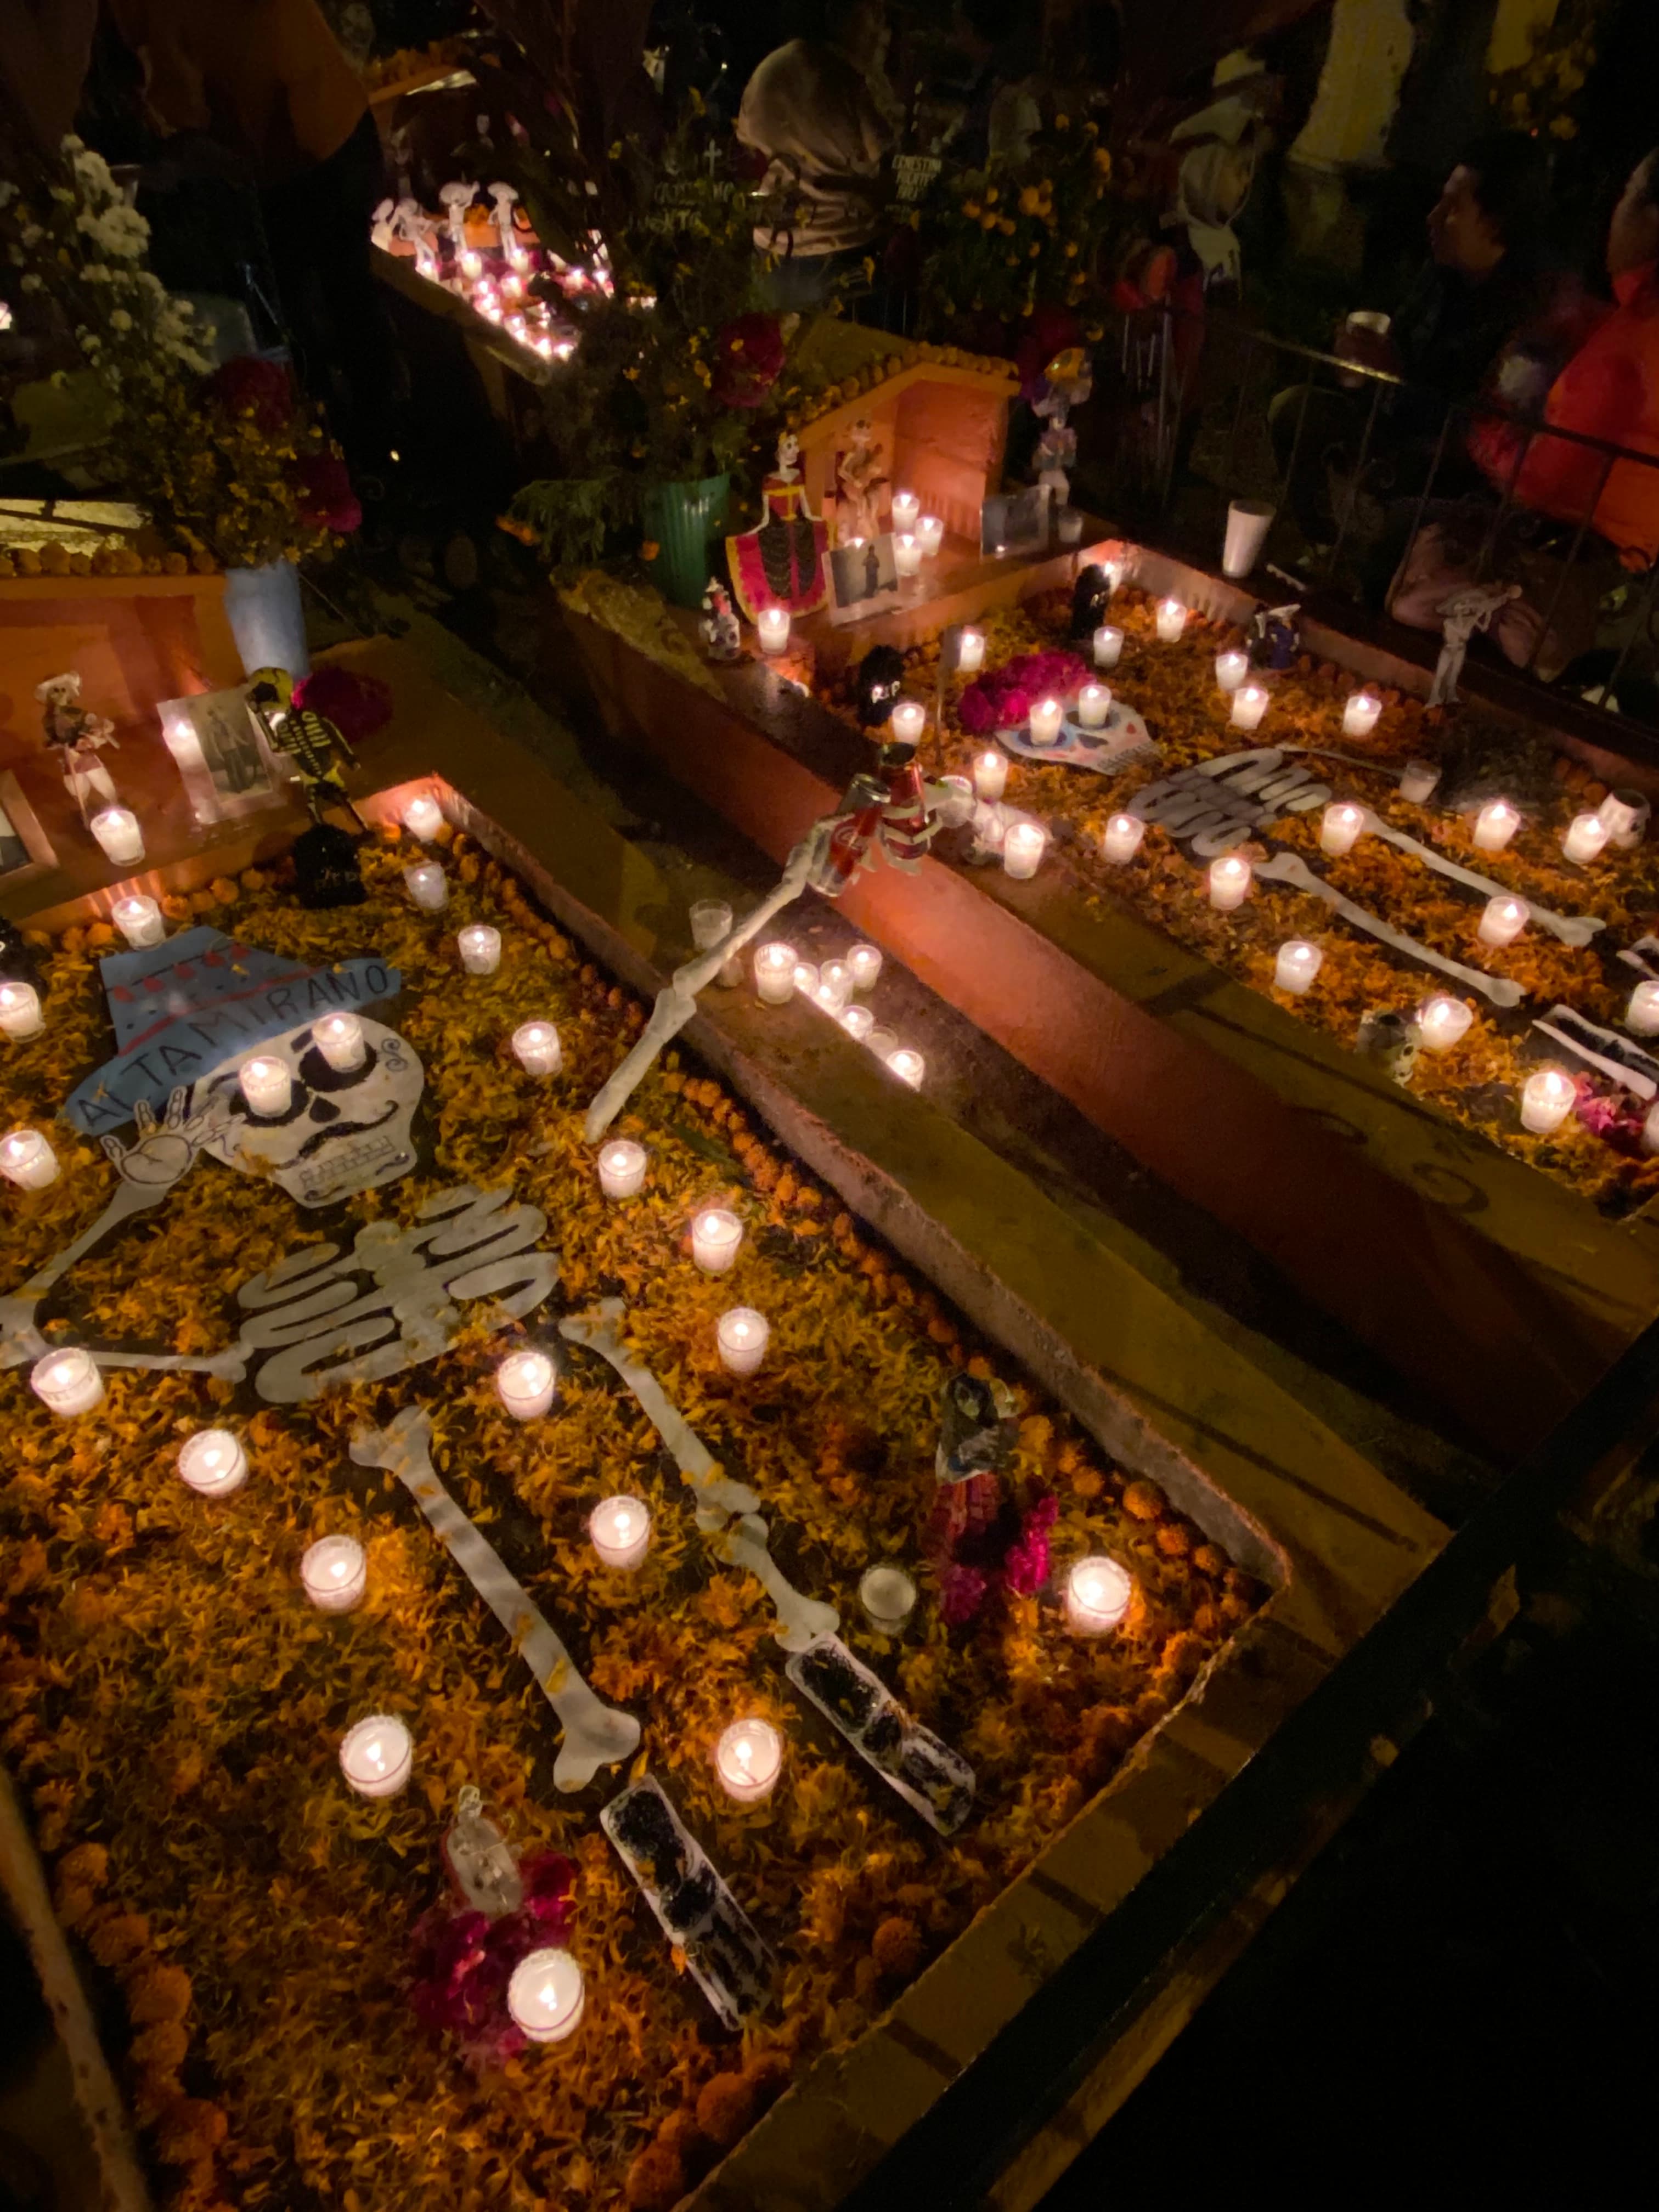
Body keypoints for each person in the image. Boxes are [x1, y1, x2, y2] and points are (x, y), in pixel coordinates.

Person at [1387, 149, 1659, 682]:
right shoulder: (1618, 315)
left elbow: (1549, 471)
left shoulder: (1632, 326)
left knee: (1411, 557)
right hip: (1577, 533)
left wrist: (1482, 434)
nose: (1613, 218)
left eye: (1627, 197)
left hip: (1590, 552)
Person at [106, 0, 398, 467]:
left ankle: (348, 447)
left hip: (299, 146)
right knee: (348, 295)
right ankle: (370, 439)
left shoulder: (162, 14)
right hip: (331, 127)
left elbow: (181, 103)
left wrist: (173, 155)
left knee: (314, 304)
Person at [1270, 133, 1556, 547]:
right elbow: (1396, 351)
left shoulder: (1526, 318)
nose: (1433, 218)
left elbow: (1480, 435)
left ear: (1495, 225)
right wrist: (1356, 364)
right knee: (1293, 409)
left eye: (1453, 208)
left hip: (1457, 469)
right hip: (1396, 427)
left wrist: (1399, 377)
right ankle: (1325, 545)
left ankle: (1388, 568)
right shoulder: (1440, 276)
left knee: (1413, 478)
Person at [737, 0, 895, 312]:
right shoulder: (845, 77)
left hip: (773, 248)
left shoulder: (769, 69)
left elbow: (746, 148)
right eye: (872, 13)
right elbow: (885, 160)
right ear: (839, 16)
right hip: (841, 247)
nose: (879, 26)